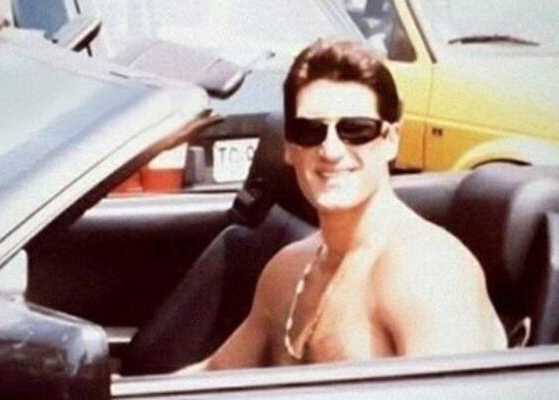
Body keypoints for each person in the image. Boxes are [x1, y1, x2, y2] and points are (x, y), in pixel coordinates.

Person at [184, 38, 507, 371]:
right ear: (289, 147)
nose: (331, 150)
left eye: (356, 129)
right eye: (309, 131)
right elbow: (214, 374)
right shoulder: (286, 271)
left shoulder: (428, 271)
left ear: (391, 140)